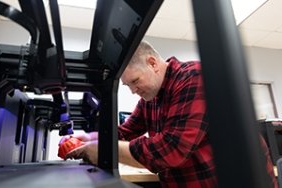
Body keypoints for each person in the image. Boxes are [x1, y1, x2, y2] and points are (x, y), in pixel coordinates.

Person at [59, 41, 277, 188]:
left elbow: (170, 151)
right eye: (127, 86)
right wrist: (88, 139)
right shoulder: (151, 97)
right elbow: (124, 132)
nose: (133, 90)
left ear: (152, 64)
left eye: (135, 81)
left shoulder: (193, 77)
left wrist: (103, 149)